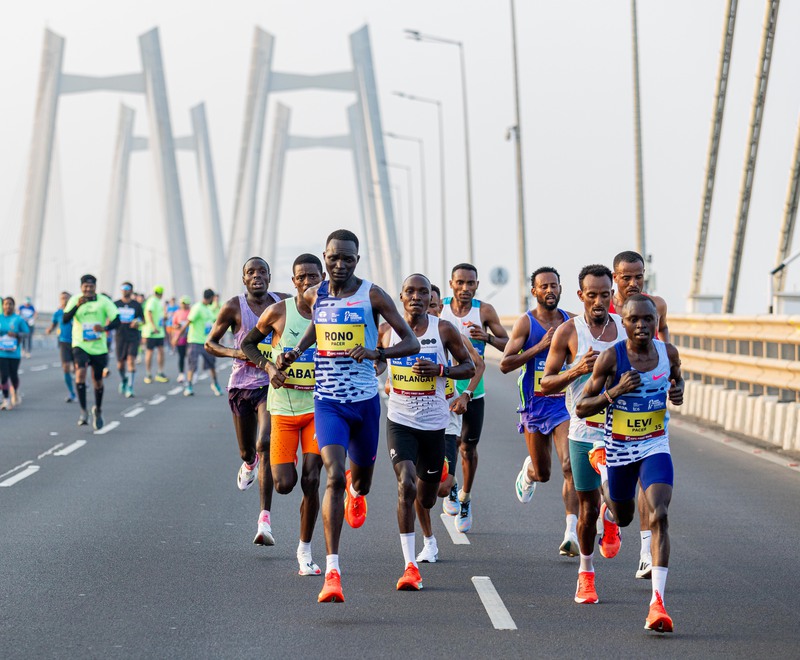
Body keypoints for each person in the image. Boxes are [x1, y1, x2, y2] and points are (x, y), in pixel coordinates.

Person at [276, 229, 419, 603]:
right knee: (332, 476)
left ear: (358, 260)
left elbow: (411, 341)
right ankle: (334, 572)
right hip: (327, 403)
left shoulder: (371, 294)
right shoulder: (315, 293)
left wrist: (376, 354)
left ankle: (359, 491)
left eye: (347, 259)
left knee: (362, 482)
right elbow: (316, 327)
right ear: (325, 257)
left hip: (365, 403)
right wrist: (294, 351)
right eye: (333, 258)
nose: (339, 265)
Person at [576, 293, 683, 633]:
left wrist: (679, 391)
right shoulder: (612, 358)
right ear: (624, 324)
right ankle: (605, 475)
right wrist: (615, 391)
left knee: (660, 513)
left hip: (654, 444)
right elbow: (582, 407)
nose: (641, 325)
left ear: (656, 322)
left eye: (647, 319)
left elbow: (677, 379)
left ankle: (657, 604)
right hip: (619, 447)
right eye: (634, 320)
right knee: (622, 514)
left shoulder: (668, 353)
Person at [377, 274, 474, 589]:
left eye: (422, 291)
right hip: (400, 420)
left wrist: (441, 370)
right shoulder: (386, 331)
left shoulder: (443, 329)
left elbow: (469, 367)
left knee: (429, 497)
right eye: (410, 291)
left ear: (429, 297)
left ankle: (431, 526)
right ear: (401, 297)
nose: (416, 296)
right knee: (406, 486)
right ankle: (408, 566)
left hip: (434, 424)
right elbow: (378, 363)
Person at [540, 264, 624, 606]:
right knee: (587, 510)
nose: (599, 301)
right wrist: (576, 369)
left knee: (619, 501)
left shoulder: (625, 328)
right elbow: (546, 383)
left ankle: (613, 515)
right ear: (580, 296)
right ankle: (586, 575)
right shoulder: (568, 332)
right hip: (583, 430)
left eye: (606, 295)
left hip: (620, 431)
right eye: (592, 295)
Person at [241, 254, 325, 574]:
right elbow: (249, 344)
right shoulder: (278, 312)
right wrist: (269, 366)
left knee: (312, 478)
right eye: (301, 277)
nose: (307, 283)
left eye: (313, 277)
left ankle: (304, 551)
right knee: (285, 484)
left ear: (322, 279)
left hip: (319, 409)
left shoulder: (331, 314)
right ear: (293, 282)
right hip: (284, 410)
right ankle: (283, 465)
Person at [206, 258, 288, 546]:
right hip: (241, 385)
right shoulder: (233, 306)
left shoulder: (282, 303)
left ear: (269, 276)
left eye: (261, 272)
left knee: (265, 443)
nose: (257, 276)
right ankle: (249, 463)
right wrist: (237, 353)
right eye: (250, 273)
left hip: (271, 384)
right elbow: (210, 343)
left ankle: (264, 519)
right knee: (247, 450)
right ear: (244, 279)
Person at [500, 267, 579, 556]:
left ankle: (571, 531)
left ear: (561, 288)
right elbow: (506, 364)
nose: (550, 290)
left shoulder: (572, 322)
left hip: (563, 404)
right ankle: (530, 472)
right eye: (543, 286)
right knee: (544, 473)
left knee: (569, 466)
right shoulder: (526, 323)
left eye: (554, 285)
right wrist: (541, 347)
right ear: (534, 291)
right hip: (535, 405)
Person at [610, 250, 670, 580]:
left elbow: (666, 345)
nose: (633, 283)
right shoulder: (603, 310)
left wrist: (674, 377)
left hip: (648, 414)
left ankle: (647, 553)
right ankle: (611, 506)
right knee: (622, 508)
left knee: (651, 490)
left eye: (639, 276)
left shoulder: (655, 307)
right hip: (608, 414)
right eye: (626, 277)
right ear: (614, 278)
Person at [439, 263, 509, 532]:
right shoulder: (441, 308)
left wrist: (488, 337)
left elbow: (510, 345)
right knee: (450, 443)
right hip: (445, 390)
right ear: (451, 283)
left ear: (477, 285)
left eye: (470, 283)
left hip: (473, 390)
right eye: (460, 283)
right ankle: (452, 485)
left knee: (467, 447)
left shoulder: (485, 311)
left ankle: (465, 497)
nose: (465, 288)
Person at [425, 284, 485, 532]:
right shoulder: (404, 335)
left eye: (432, 304)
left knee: (466, 451)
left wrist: (467, 395)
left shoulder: (452, 335)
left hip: (451, 406)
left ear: (440, 308)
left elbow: (478, 365)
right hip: (418, 412)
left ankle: (461, 496)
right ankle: (426, 542)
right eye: (423, 302)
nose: (426, 308)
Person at [62, 275, 120, 429]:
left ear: (95, 287)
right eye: (85, 287)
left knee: (97, 381)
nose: (88, 289)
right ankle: (83, 411)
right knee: (80, 374)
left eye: (91, 286)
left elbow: (117, 320)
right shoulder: (75, 300)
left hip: (98, 347)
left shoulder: (103, 301)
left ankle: (98, 410)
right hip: (80, 344)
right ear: (81, 287)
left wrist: (105, 328)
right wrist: (76, 307)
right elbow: (65, 319)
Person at [181, 289, 221, 396]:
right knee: (192, 365)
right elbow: (189, 321)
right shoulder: (197, 307)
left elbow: (214, 322)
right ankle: (189, 386)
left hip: (207, 342)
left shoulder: (207, 309)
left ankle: (215, 384)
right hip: (195, 341)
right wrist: (178, 335)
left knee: (212, 364)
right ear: (211, 297)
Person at [114, 282, 144, 398]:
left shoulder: (136, 305)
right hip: (120, 336)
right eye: (123, 288)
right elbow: (111, 319)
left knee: (131, 361)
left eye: (127, 289)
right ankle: (124, 380)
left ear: (131, 291)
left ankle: (130, 388)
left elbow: (143, 320)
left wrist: (138, 322)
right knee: (120, 364)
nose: (125, 290)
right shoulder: (116, 304)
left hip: (133, 337)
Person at [46, 291, 77, 403]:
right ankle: (72, 393)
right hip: (64, 342)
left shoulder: (76, 311)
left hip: (77, 343)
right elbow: (54, 324)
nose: (64, 300)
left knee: (78, 369)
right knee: (65, 367)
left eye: (66, 298)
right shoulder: (58, 313)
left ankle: (80, 383)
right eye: (62, 298)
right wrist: (50, 329)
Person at [0, 297, 30, 410]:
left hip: (14, 353)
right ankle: (6, 400)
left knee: (13, 376)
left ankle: (15, 391)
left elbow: (26, 333)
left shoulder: (18, 319)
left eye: (10, 304)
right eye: (6, 304)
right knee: (3, 376)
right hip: (1, 353)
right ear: (2, 306)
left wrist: (17, 335)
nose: (8, 306)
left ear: (14, 306)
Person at [142, 285, 169, 383]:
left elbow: (158, 315)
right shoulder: (152, 300)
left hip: (159, 332)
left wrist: (164, 318)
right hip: (152, 332)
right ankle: (148, 374)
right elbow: (149, 313)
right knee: (150, 352)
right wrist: (154, 327)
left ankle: (160, 372)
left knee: (161, 352)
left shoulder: (158, 301)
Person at [170, 297, 191, 383]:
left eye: (185, 303)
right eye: (182, 303)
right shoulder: (177, 313)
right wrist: (177, 327)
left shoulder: (191, 312)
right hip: (180, 337)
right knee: (181, 356)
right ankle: (181, 373)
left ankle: (192, 372)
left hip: (190, 337)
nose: (183, 305)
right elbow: (173, 325)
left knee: (190, 356)